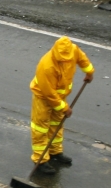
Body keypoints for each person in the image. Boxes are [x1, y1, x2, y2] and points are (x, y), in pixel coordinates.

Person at [29, 36, 94, 174]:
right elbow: (49, 93)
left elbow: (83, 60)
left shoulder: (73, 50)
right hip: (43, 97)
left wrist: (89, 72)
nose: (64, 61)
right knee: (40, 128)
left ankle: (55, 152)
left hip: (60, 97)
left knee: (56, 124)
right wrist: (64, 108)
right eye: (61, 59)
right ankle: (40, 160)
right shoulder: (46, 65)